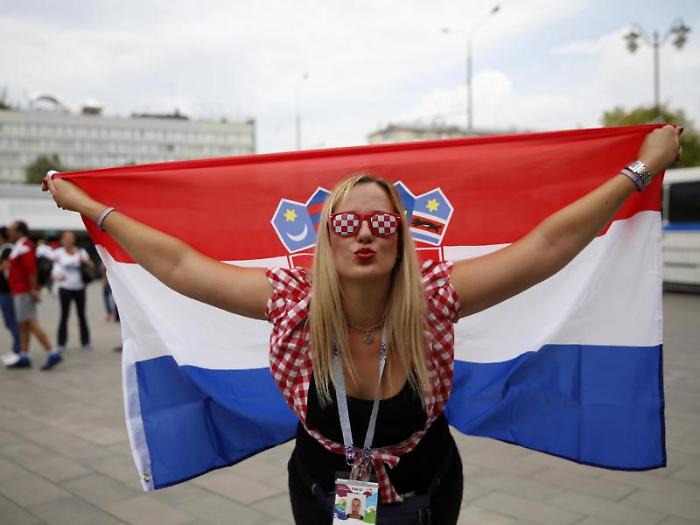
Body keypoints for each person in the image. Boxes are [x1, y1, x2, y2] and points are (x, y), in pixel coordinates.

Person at [45, 125, 681, 524]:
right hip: (320, 486)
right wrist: (90, 207)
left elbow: (545, 248)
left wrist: (640, 171)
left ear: (403, 239)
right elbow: (181, 264)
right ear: (326, 239)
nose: (367, 235)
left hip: (428, 484)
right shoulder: (291, 301)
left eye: (383, 223)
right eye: (348, 224)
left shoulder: (435, 297)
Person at [5, 221, 61, 370]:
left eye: (11, 229)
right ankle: (24, 355)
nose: (9, 232)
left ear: (19, 232)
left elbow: (31, 270)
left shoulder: (25, 246)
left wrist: (34, 290)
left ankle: (52, 352)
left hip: (23, 291)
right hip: (19, 291)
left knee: (30, 322)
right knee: (23, 324)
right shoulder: (19, 246)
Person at [51, 231, 94, 351]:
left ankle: (86, 342)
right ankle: (61, 343)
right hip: (65, 288)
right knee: (64, 315)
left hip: (80, 288)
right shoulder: (57, 253)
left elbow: (91, 265)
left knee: (82, 315)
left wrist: (84, 261)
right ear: (62, 240)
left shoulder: (80, 252)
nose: (69, 240)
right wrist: (57, 277)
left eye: (72, 237)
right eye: (67, 238)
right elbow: (53, 270)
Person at [0, 226, 21, 360]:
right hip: (5, 291)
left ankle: (17, 351)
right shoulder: (5, 249)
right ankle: (16, 349)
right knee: (10, 322)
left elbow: (7, 266)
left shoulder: (7, 249)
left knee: (12, 321)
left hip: (7, 291)